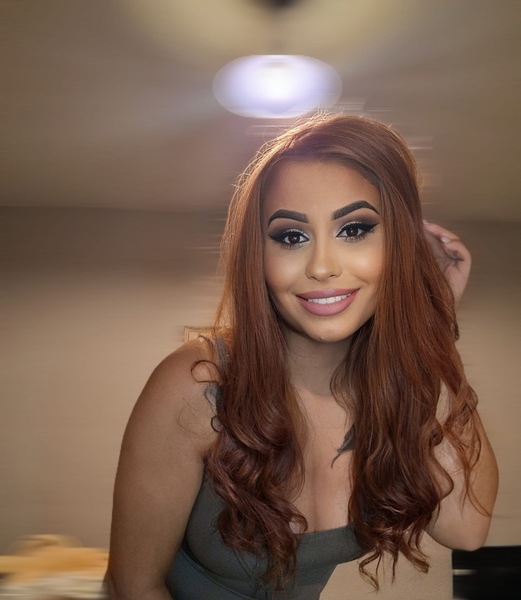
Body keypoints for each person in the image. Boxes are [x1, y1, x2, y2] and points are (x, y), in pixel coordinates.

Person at [106, 114, 498, 599]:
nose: (322, 266)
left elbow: (466, 529)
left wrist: (433, 328)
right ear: (259, 255)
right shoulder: (198, 385)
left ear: (398, 247)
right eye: (292, 237)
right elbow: (133, 586)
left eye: (354, 229)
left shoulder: (395, 393)